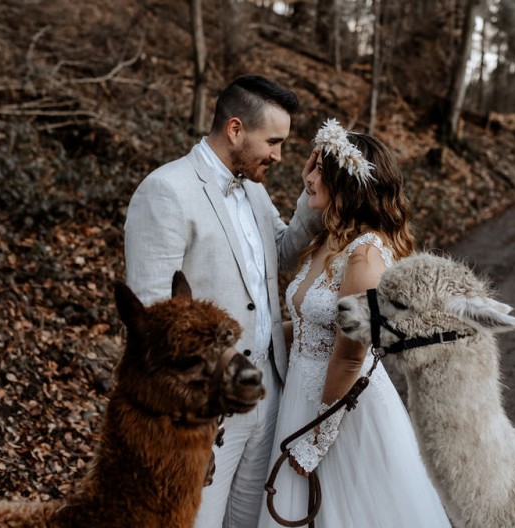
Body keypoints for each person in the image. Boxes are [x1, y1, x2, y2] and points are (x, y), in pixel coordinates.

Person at [124, 75, 322, 527]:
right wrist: (185, 422)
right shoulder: (166, 191)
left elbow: (282, 254)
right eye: (273, 142)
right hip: (206, 409)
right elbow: (152, 323)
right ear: (235, 129)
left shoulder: (253, 188)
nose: (278, 156)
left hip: (267, 394)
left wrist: (311, 198)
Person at [259, 119, 451, 527]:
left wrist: (315, 441)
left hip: (341, 410)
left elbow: (349, 358)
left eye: (318, 172)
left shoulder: (364, 259)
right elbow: (310, 325)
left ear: (345, 185)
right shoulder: (328, 238)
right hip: (301, 397)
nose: (308, 178)